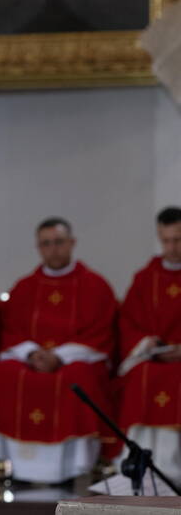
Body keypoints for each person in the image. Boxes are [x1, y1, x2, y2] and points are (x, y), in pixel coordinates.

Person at [0, 217, 118, 484]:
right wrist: (32, 354)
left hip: (75, 360)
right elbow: (10, 331)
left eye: (58, 242)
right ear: (38, 247)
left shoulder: (95, 286)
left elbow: (100, 334)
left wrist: (60, 357)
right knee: (6, 373)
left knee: (79, 376)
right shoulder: (25, 287)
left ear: (72, 243)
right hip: (32, 359)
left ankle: (75, 467)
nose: (53, 249)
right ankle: (14, 467)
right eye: (46, 244)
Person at [115, 206, 181, 483]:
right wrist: (147, 343)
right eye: (165, 240)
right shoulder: (145, 278)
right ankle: (141, 462)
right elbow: (128, 322)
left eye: (178, 239)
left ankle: (175, 464)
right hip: (152, 360)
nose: (171, 247)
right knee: (143, 375)